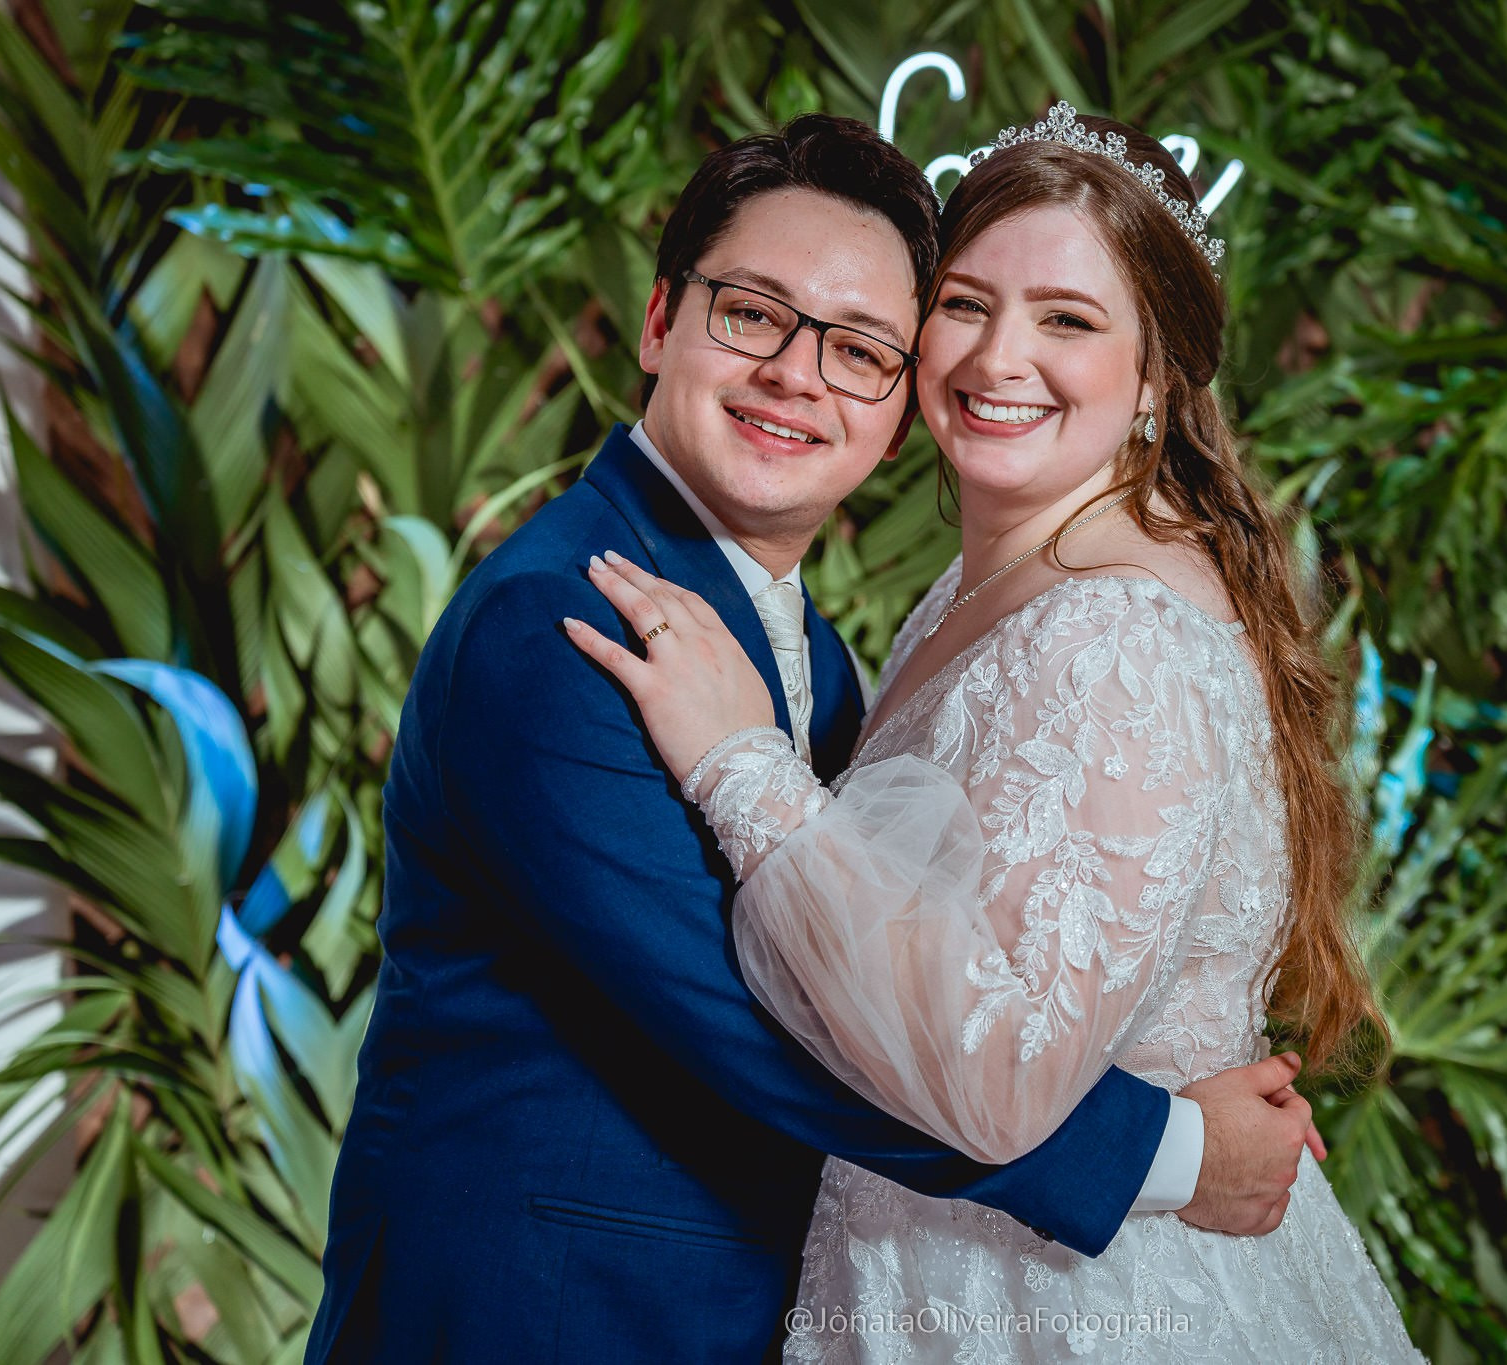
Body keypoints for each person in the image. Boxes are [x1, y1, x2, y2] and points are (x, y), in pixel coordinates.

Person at [306, 113, 1320, 1364]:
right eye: (751, 315)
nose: (798, 373)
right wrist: (1170, 1153)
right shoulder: (565, 620)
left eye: (857, 349)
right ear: (660, 322)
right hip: (549, 1314)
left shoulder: (829, 655)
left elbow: (859, 953)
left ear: (896, 411)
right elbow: (766, 1021)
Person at [567, 105, 1425, 1361]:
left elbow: (1005, 1072)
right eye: (964, 304)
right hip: (941, 1265)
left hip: (1060, 1301)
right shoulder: (995, 583)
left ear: (1152, 382)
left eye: (1067, 320)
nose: (993, 357)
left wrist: (738, 763)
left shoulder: (1116, 639)